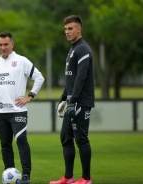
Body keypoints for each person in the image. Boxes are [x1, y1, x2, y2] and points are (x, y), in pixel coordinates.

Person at [0, 32, 44, 184]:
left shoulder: (21, 61)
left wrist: (29, 96)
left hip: (17, 110)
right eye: (0, 45)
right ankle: (9, 172)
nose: (3, 47)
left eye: (6, 44)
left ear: (12, 44)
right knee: (5, 144)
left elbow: (39, 77)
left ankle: (26, 175)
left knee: (21, 140)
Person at [50, 15, 95, 184]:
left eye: (70, 29)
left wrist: (73, 100)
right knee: (65, 137)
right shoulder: (72, 49)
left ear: (79, 29)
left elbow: (81, 77)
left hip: (81, 102)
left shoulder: (83, 48)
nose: (67, 32)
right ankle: (68, 178)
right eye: (65, 29)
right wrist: (63, 98)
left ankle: (86, 179)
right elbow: (71, 78)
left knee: (81, 139)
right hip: (72, 102)